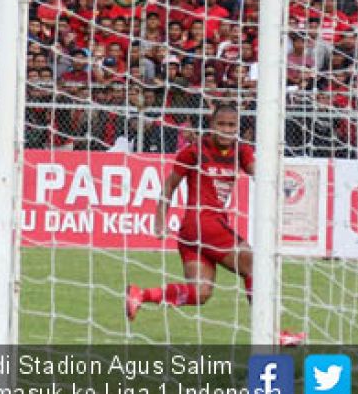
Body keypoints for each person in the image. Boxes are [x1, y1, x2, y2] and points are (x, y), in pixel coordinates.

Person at [125, 104, 304, 345]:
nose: (226, 130)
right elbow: (170, 185)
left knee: (200, 293)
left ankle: (141, 294)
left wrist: (278, 181)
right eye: (221, 124)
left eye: (232, 125)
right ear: (212, 125)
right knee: (255, 265)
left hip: (193, 233)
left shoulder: (241, 152)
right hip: (203, 223)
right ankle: (273, 335)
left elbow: (259, 175)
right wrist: (159, 219)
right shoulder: (194, 152)